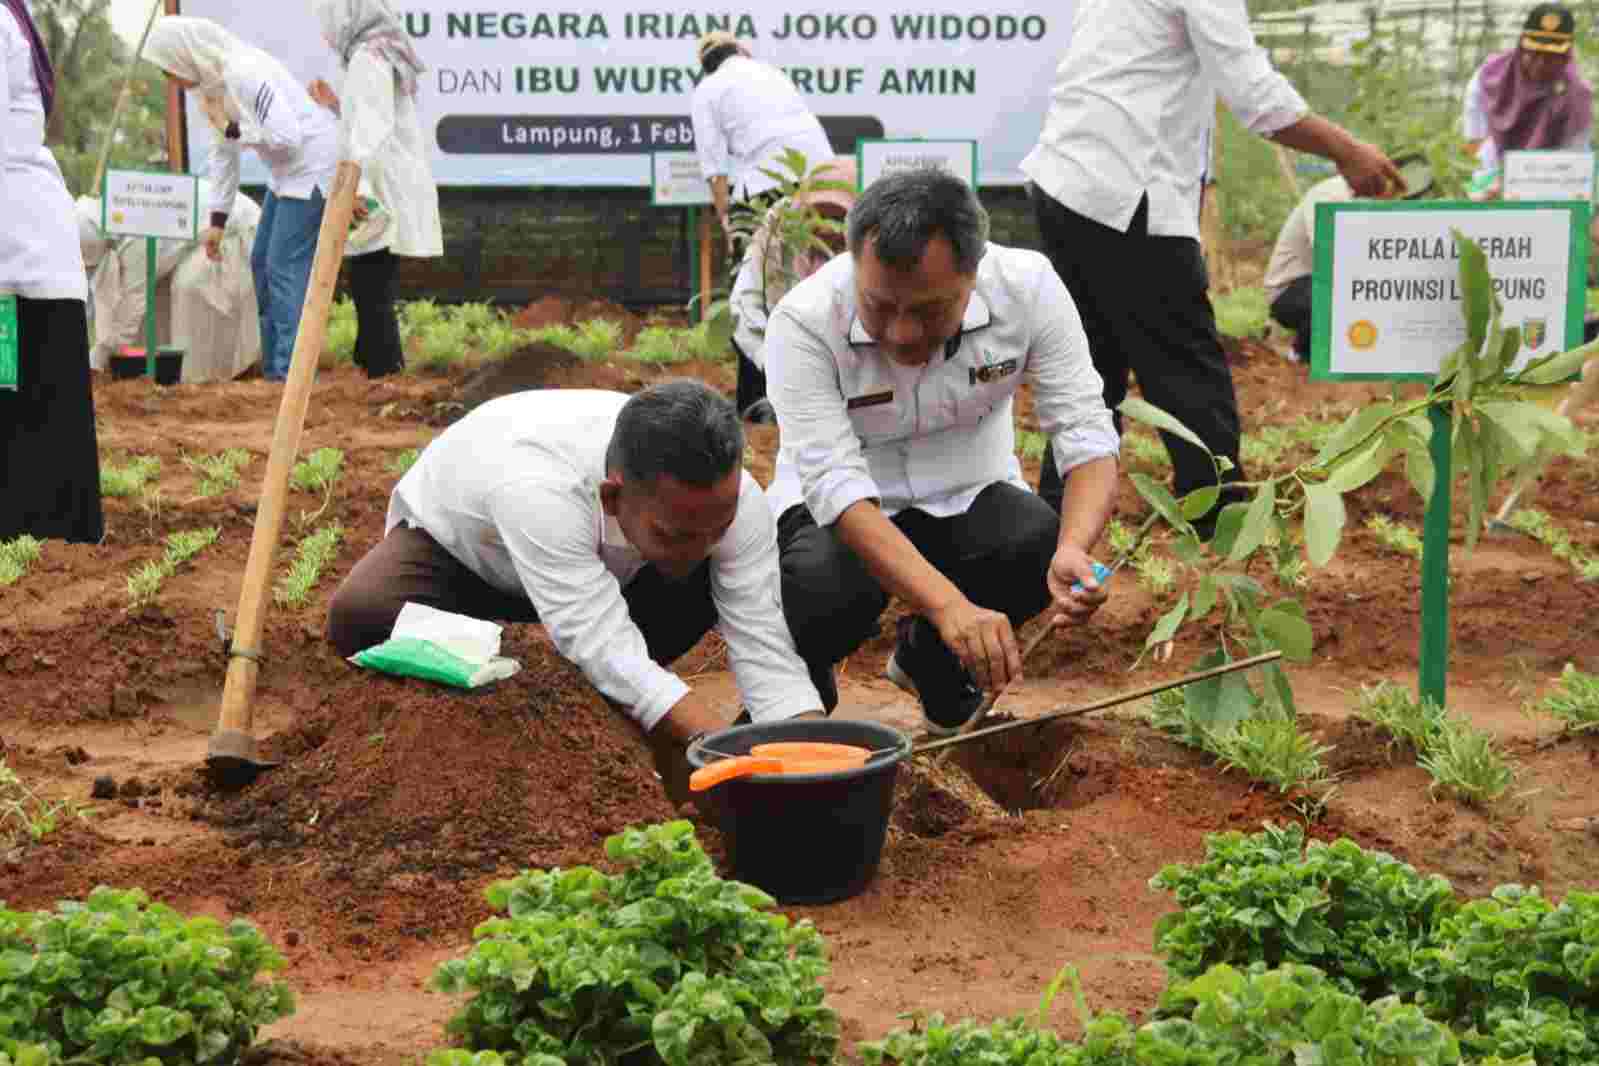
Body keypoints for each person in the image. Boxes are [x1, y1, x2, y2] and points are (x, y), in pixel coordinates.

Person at [763, 168, 1121, 734]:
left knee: (1035, 546)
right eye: (879, 306)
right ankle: (808, 680)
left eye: (928, 310)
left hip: (968, 494)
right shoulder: (804, 323)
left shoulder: (1027, 290)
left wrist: (1074, 548)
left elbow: (1085, 433)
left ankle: (929, 661)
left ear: (973, 274)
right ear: (855, 264)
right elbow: (836, 485)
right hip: (845, 513)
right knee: (819, 590)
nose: (902, 333)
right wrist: (949, 604)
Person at [1023, 0, 1403, 531]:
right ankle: (1218, 513)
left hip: (1067, 183)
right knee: (1184, 362)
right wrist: (1348, 151)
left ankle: (1053, 518)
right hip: (1124, 192)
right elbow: (1256, 96)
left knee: (1092, 365)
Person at [326, 381, 826, 785]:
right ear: (613, 497)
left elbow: (764, 643)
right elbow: (599, 637)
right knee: (363, 613)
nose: (699, 549)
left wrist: (810, 747)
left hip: (614, 582)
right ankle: (525, 660)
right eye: (674, 534)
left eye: (715, 530)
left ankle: (573, 674)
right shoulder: (538, 485)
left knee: (655, 612)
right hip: (470, 565)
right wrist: (721, 747)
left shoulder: (734, 507)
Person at [145, 17, 340, 383]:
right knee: (262, 263)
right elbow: (224, 156)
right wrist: (217, 222)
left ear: (185, 53)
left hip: (313, 167)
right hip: (285, 174)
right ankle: (276, 372)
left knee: (284, 268)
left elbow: (288, 135)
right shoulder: (213, 87)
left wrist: (232, 129)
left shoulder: (243, 71)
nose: (171, 81)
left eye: (169, 70)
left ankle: (293, 376)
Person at [1, 0, 103, 544]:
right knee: (14, 396)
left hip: (22, 251)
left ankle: (53, 547)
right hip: (20, 256)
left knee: (32, 403)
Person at [308, 0, 443, 379]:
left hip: (376, 184)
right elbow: (369, 118)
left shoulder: (369, 59)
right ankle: (374, 364)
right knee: (371, 279)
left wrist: (355, 188)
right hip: (378, 180)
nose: (325, 29)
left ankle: (382, 369)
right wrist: (337, 106)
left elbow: (371, 131)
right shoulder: (375, 54)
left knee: (371, 281)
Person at [76, 183, 264, 380]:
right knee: (157, 293)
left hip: (232, 227)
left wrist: (98, 357)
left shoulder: (135, 233)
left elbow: (133, 305)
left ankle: (203, 379)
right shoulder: (116, 214)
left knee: (188, 286)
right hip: (203, 232)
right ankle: (162, 371)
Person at [1264, 155, 1432, 363]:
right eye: (1392, 188)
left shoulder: (1363, 203)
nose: (1392, 197)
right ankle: (1299, 354)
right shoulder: (1330, 195)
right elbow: (1332, 255)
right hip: (1289, 291)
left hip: (1320, 283)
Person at [728, 155, 857, 423]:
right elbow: (743, 305)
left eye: (837, 217)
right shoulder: (778, 229)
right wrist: (772, 359)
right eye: (817, 214)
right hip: (774, 353)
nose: (825, 226)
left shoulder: (869, 244)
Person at [689, 30, 834, 250]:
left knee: (750, 267)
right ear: (741, 51)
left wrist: (728, 224)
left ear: (707, 68)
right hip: (822, 174)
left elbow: (715, 169)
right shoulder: (772, 71)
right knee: (819, 261)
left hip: (767, 181)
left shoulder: (706, 90)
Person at [1462, 3, 1593, 200]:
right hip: (1490, 180)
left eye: (1550, 57)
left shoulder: (1576, 96)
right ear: (1521, 47)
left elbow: (1574, 163)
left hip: (1549, 186)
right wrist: (1492, 183)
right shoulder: (1487, 78)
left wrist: (1525, 186)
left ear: (1565, 57)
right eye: (1533, 53)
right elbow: (1475, 144)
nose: (1540, 63)